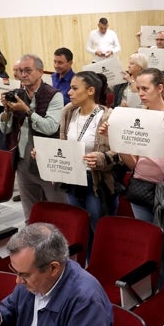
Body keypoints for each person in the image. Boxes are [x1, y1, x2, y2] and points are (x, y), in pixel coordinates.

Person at [0, 223, 114, 326]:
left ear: (53, 268)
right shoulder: (31, 282)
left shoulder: (86, 300)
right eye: (15, 271)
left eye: (24, 274)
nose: (18, 280)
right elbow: (10, 309)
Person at [110, 68, 164, 232]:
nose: (140, 93)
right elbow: (134, 165)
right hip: (141, 187)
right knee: (146, 241)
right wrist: (117, 140)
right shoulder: (139, 116)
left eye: (145, 89)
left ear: (160, 88)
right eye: (138, 89)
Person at [0, 54, 68, 221]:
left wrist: (27, 111)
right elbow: (5, 129)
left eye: (27, 71)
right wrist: (7, 110)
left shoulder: (54, 95)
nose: (23, 75)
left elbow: (50, 127)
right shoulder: (17, 94)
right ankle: (35, 244)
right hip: (23, 161)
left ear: (40, 71)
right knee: (30, 213)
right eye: (20, 71)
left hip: (47, 161)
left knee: (57, 210)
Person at [58, 71, 119, 236]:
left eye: (74, 88)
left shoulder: (108, 116)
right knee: (79, 226)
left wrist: (101, 157)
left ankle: (98, 260)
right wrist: (43, 153)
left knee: (97, 226)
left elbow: (119, 153)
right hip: (73, 177)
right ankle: (83, 260)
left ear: (90, 91)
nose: (69, 92)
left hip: (96, 181)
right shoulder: (68, 112)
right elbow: (63, 144)